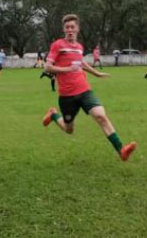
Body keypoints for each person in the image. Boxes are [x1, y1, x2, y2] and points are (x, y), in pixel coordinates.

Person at [41, 14, 136, 162]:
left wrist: (96, 73)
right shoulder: (58, 45)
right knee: (69, 129)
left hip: (84, 90)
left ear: (77, 29)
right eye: (67, 27)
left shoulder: (79, 47)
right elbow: (47, 67)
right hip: (67, 96)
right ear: (64, 29)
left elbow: (81, 63)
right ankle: (54, 115)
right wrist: (67, 69)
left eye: (72, 27)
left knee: (101, 116)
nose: (70, 30)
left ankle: (121, 150)